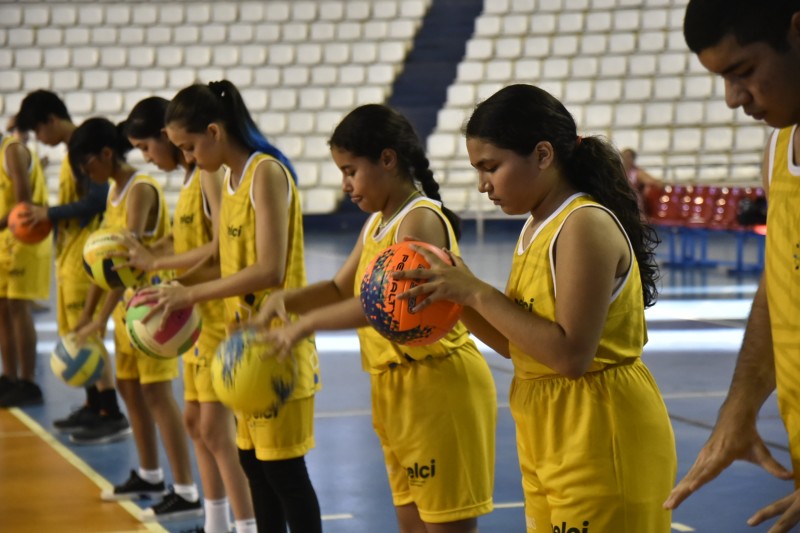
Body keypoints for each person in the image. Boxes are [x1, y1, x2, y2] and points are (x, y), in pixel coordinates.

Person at [392, 85, 677, 532]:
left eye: (492, 167)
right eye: (477, 169)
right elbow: (515, 344)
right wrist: (450, 294)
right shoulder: (536, 225)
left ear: (543, 155)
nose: (483, 184)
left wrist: (476, 293)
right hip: (546, 431)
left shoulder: (582, 224)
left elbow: (570, 356)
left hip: (600, 429)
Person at [251, 104, 497, 533]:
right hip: (394, 390)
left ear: (387, 160)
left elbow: (383, 307)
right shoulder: (377, 224)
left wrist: (305, 325)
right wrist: (285, 299)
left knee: (444, 526)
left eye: (350, 171)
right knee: (411, 523)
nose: (345, 185)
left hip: (437, 388)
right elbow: (336, 289)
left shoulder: (417, 219)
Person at [137, 80, 323, 532]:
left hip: (279, 346)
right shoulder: (233, 179)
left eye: (190, 147)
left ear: (216, 131)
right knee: (254, 469)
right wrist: (170, 281)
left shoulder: (267, 173)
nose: (187, 158)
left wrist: (190, 292)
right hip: (243, 349)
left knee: (284, 474)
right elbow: (222, 259)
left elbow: (269, 271)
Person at [664, 2, 800, 532]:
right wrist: (740, 405)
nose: (732, 98)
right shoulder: (779, 149)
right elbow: (781, 283)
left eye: (742, 72)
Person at [121, 96, 256, 533]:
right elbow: (185, 246)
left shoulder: (208, 177)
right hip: (196, 315)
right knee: (197, 423)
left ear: (168, 137)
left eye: (146, 147)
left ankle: (246, 525)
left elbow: (219, 251)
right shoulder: (188, 180)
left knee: (217, 431)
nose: (146, 157)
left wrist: (160, 271)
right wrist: (149, 264)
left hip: (216, 315)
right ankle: (215, 522)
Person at [68, 117, 201, 521]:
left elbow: (123, 267)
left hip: (150, 307)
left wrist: (98, 317)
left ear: (106, 154)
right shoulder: (112, 189)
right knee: (128, 388)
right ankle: (149, 473)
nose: (84, 174)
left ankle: (186, 489)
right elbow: (104, 267)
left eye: (85, 164)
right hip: (128, 306)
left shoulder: (140, 189)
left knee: (159, 396)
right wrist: (92, 315)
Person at [14, 90, 130, 442]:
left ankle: (110, 410)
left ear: (51, 120)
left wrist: (47, 213)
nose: (41, 141)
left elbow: (94, 202)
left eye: (39, 131)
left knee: (89, 337)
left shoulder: (86, 150)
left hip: (86, 259)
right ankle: (93, 405)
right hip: (69, 257)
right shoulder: (72, 154)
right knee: (78, 337)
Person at [0, 116, 52, 407]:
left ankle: (29, 381)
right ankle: (8, 376)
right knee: (3, 310)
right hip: (5, 243)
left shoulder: (12, 151)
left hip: (25, 242)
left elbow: (22, 204)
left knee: (19, 309)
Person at [620, 148, 662, 215]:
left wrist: (658, 182)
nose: (626, 159)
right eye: (624, 156)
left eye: (628, 157)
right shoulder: (619, 172)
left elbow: (652, 181)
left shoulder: (637, 173)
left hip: (634, 204)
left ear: (633, 159)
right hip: (621, 203)